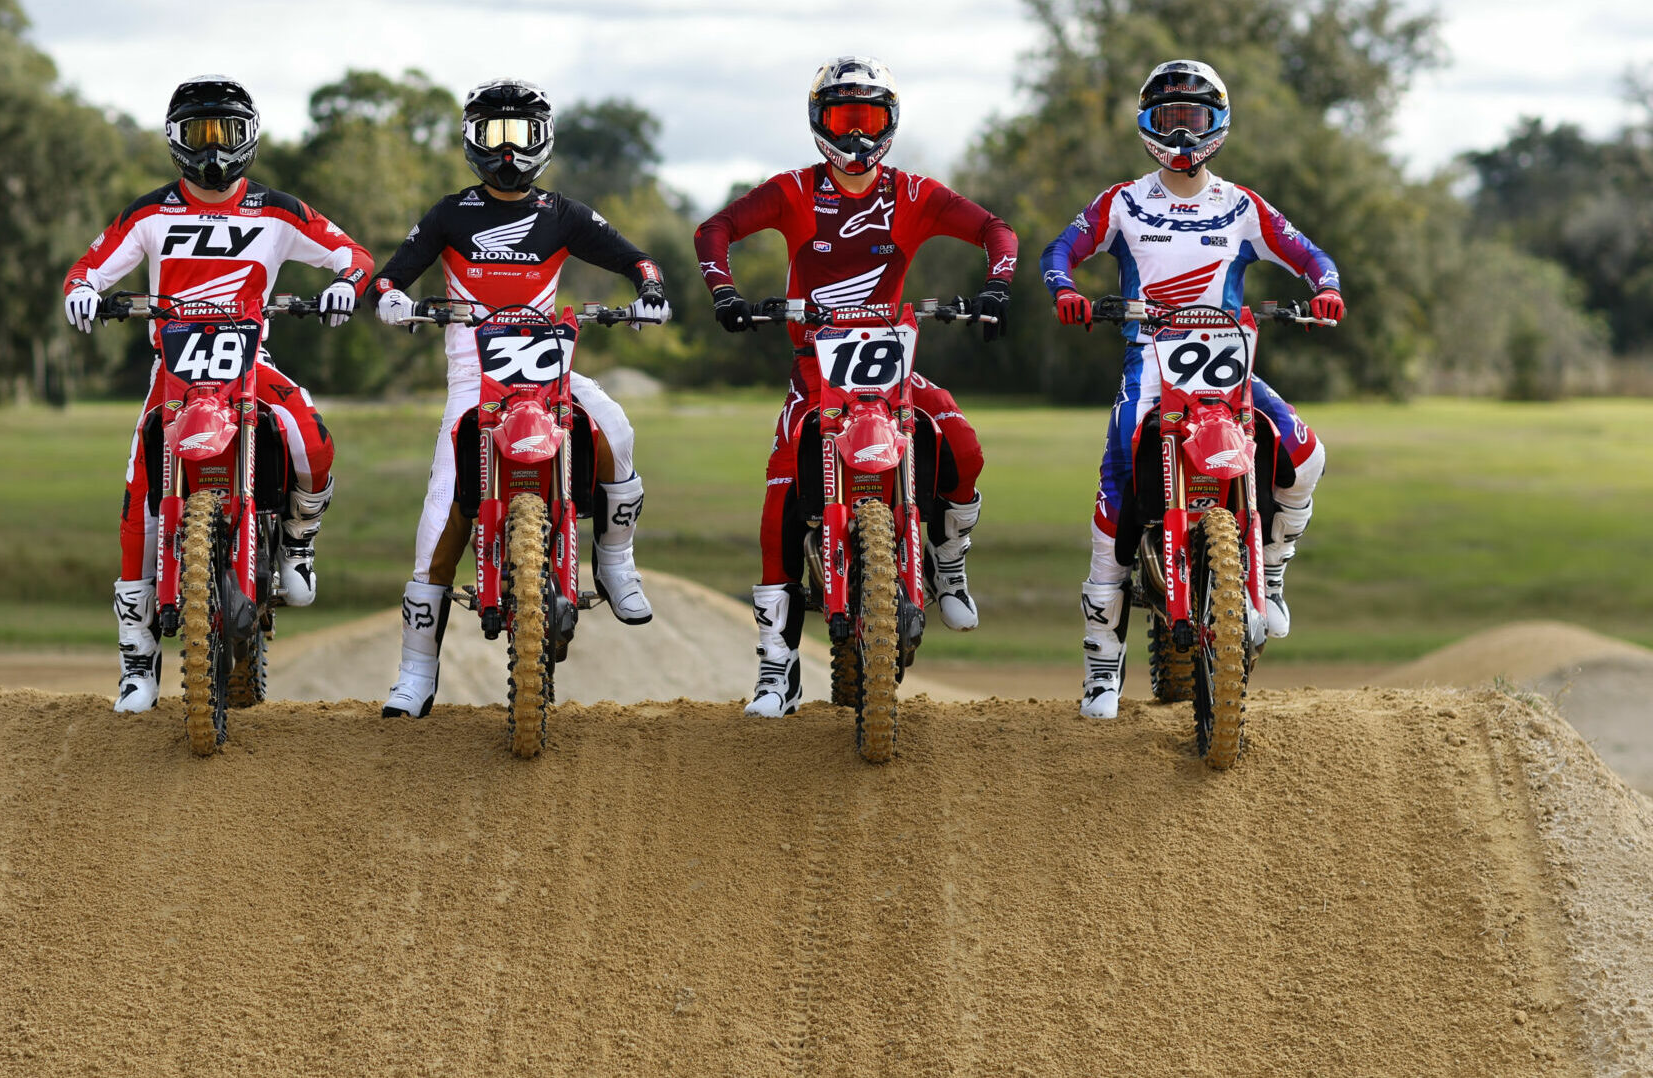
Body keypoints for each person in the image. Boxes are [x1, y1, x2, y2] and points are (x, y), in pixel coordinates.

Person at [694, 56, 1018, 718]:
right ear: (819, 122)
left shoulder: (913, 194)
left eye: (869, 119)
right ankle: (776, 668)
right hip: (816, 374)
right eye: (843, 119)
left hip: (892, 366)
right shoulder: (793, 191)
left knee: (960, 437)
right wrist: (722, 289)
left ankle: (947, 560)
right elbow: (714, 230)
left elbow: (996, 230)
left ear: (890, 123)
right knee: (781, 490)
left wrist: (997, 285)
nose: (857, 137)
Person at [1040, 59, 1344, 719]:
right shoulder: (1122, 203)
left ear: (1218, 125)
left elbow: (1313, 255)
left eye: (1195, 119)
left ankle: (1270, 570)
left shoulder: (1240, 206)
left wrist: (1325, 289)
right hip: (1149, 363)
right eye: (1168, 119)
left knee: (1307, 456)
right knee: (1117, 490)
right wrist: (1064, 289)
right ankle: (1100, 669)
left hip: (1227, 363)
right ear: (1148, 125)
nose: (1182, 133)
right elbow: (1059, 250)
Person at [63, 74, 373, 713]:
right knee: (140, 503)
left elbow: (356, 255)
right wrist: (85, 295)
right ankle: (136, 661)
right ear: (175, 140)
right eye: (199, 133)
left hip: (250, 361)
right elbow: (85, 270)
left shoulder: (279, 211)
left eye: (226, 133)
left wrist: (346, 284)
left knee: (310, 436)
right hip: (172, 374)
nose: (213, 149)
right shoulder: (148, 213)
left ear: (249, 138)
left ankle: (298, 539)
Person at [370, 78, 672, 719]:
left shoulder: (562, 213)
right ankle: (416, 672)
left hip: (550, 379)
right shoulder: (451, 213)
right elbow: (392, 273)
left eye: (520, 135)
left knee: (615, 427)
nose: (507, 152)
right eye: (493, 135)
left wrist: (649, 290)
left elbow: (636, 259)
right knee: (437, 520)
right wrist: (392, 298)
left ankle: (615, 562)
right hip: (472, 387)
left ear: (543, 141)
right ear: (471, 142)